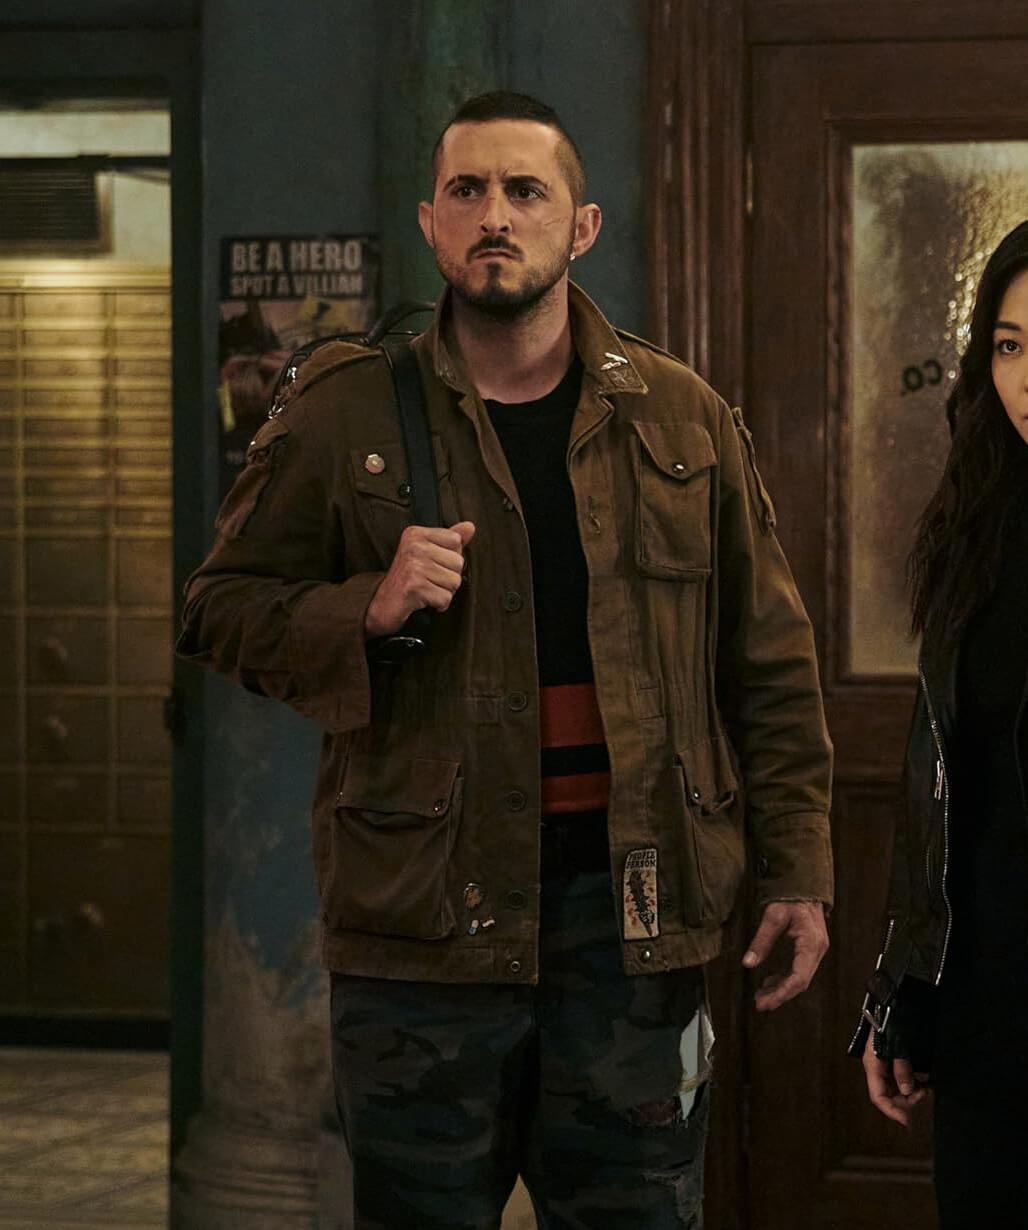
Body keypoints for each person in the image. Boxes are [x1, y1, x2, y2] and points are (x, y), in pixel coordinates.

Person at [178, 91, 834, 1230]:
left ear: (580, 225)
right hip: (422, 929)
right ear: (431, 222)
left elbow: (767, 662)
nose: (495, 215)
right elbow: (217, 611)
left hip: (633, 918)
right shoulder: (343, 414)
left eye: (524, 190)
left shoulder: (680, 418)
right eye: (467, 190)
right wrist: (364, 608)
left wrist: (797, 870)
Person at [854, 219, 1028, 1228]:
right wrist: (904, 989)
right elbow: (943, 784)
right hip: (994, 990)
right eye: (1008, 346)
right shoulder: (980, 525)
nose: (1026, 379)